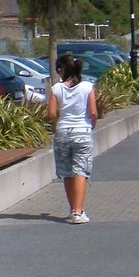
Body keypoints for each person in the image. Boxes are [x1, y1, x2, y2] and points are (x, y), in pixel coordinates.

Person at [47, 53, 97, 224]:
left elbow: (52, 113)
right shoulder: (87, 87)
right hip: (82, 131)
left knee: (67, 172)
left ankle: (71, 210)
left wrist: (60, 120)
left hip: (63, 132)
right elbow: (93, 112)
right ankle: (78, 211)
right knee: (81, 171)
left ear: (61, 70)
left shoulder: (56, 89)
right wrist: (92, 124)